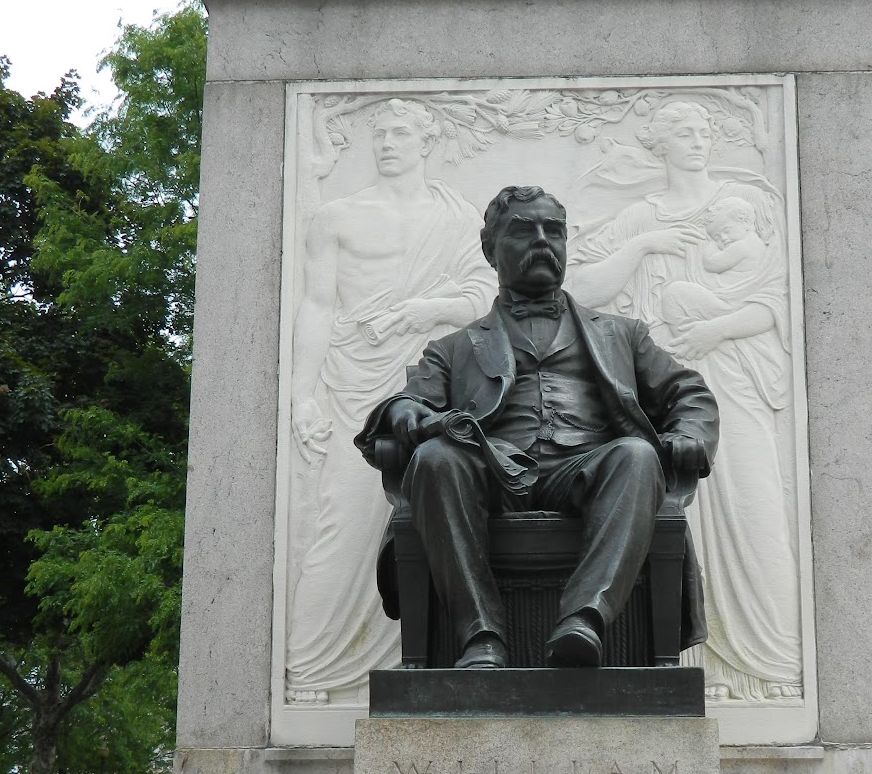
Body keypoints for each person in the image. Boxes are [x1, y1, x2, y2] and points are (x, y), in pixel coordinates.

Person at [356, 185, 718, 668]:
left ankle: (584, 622)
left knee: (636, 454)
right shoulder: (453, 349)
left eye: (555, 231)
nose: (543, 241)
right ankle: (480, 637)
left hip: (589, 471)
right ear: (491, 250)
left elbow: (687, 393)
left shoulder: (621, 335)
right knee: (436, 459)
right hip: (494, 472)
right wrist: (408, 415)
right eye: (524, 231)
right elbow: (405, 404)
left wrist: (689, 435)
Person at [570, 99, 802, 700]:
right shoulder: (638, 216)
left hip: (731, 376)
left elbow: (777, 300)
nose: (697, 139)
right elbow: (584, 289)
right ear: (659, 144)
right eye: (682, 131)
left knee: (752, 506)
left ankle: (768, 663)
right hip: (658, 391)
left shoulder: (744, 207)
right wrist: (645, 243)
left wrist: (715, 330)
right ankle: (699, 663)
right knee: (670, 517)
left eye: (703, 129)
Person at [285, 99, 493, 700]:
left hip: (438, 381)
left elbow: (483, 293)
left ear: (427, 141)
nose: (388, 142)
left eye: (402, 131)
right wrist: (302, 398)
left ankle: (446, 656)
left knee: (446, 511)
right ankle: (316, 666)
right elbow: (317, 307)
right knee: (344, 518)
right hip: (356, 377)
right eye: (380, 132)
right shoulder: (338, 218)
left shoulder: (457, 218)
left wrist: (418, 310)